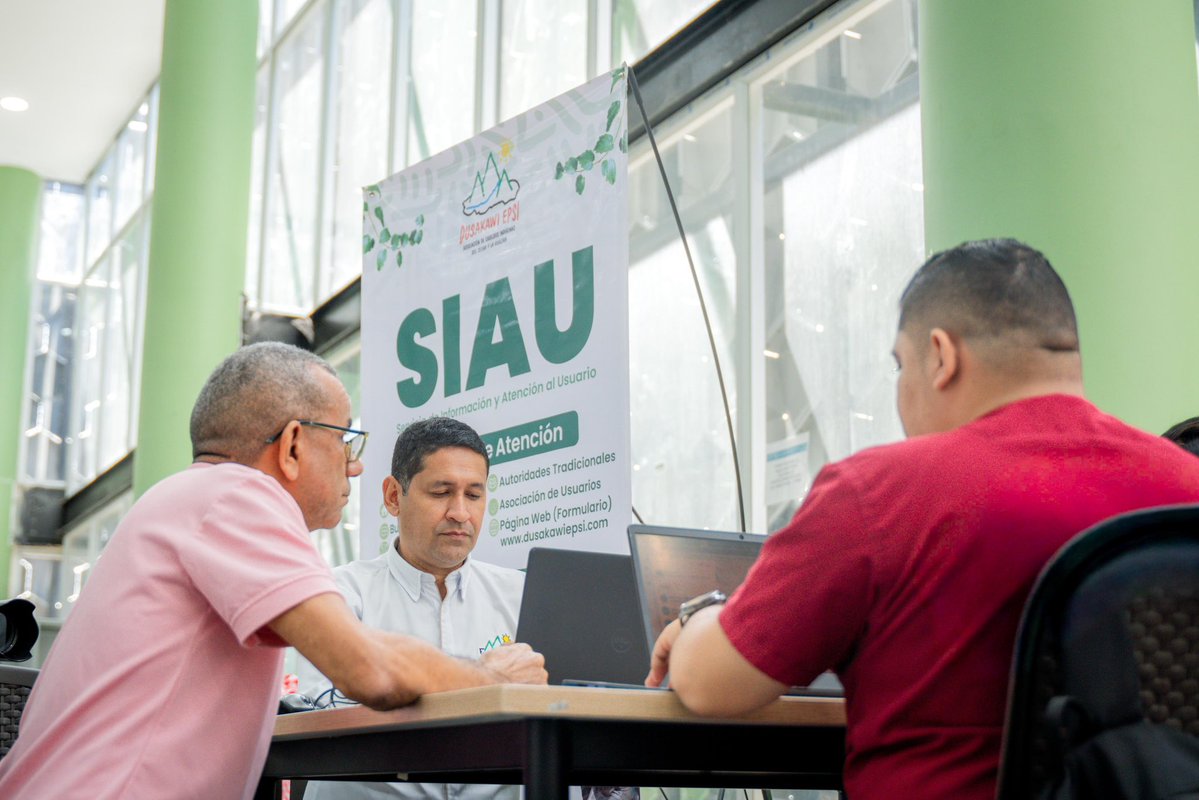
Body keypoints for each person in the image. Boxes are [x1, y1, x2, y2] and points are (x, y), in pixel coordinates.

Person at [646, 239, 1199, 800]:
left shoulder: (879, 492)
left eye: (900, 365)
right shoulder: (1189, 484)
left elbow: (712, 685)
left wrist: (696, 620)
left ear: (940, 356)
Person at [0, 343, 546, 800]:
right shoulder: (238, 496)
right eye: (344, 440)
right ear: (291, 446)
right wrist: (491, 679)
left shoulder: (195, 498)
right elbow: (369, 670)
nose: (354, 464)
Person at [296, 416, 525, 800]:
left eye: (473, 495)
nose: (460, 512)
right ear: (393, 496)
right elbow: (321, 707)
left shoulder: (520, 595)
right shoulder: (337, 592)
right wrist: (485, 682)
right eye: (441, 492)